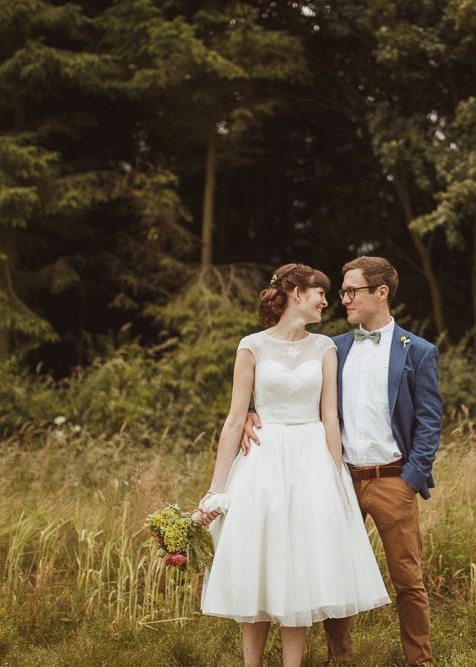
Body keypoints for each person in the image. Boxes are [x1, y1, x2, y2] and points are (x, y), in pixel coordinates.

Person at [243, 256, 441, 667]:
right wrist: (250, 411)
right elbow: (296, 392)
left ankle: (419, 661)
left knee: (408, 580)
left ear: (380, 292)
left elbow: (429, 420)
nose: (343, 299)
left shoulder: (417, 351)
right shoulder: (333, 346)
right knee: (333, 569)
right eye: (342, 291)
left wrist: (411, 477)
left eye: (352, 291)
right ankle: (340, 658)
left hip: (392, 479)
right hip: (338, 475)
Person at [199, 262, 390, 667]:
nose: (327, 301)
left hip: (312, 461)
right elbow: (235, 419)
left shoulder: (325, 348)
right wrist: (217, 490)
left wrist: (338, 481)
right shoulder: (251, 346)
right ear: (295, 293)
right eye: (320, 292)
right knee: (258, 561)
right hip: (262, 460)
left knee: (300, 564)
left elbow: (330, 417)